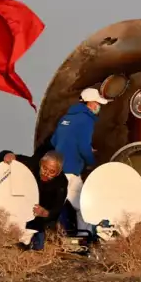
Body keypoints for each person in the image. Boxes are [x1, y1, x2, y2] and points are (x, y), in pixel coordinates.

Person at [50, 87, 108, 235]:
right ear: (91, 103)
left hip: (57, 169)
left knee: (56, 205)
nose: (98, 106)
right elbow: (83, 146)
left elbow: (54, 140)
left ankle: (50, 237)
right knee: (83, 207)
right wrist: (91, 160)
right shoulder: (86, 120)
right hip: (71, 170)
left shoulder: (65, 118)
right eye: (97, 103)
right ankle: (85, 236)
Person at [0, 146, 68, 250]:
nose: (46, 173)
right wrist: (7, 155)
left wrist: (45, 213)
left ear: (58, 172)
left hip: (42, 222)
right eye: (44, 168)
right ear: (41, 164)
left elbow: (57, 208)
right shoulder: (33, 164)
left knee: (38, 250)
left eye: (52, 172)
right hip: (21, 216)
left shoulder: (61, 183)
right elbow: (2, 156)